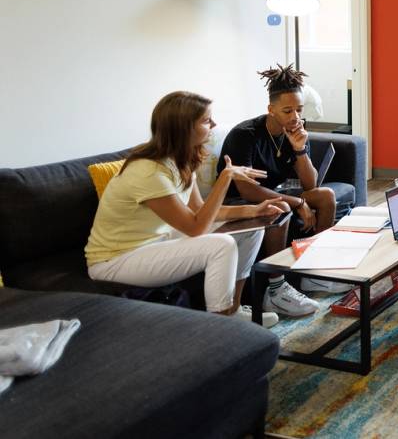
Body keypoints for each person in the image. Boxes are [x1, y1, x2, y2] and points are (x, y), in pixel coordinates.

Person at [85, 91, 287, 327]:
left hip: (156, 239)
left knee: (252, 229)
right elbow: (196, 228)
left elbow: (201, 210)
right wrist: (225, 178)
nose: (214, 124)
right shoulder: (148, 171)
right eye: (206, 120)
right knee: (221, 246)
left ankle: (234, 308)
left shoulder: (181, 160)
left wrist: (255, 211)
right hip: (116, 259)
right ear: (183, 128)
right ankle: (221, 327)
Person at [217, 64, 336, 315]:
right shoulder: (245, 135)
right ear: (270, 109)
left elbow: (311, 185)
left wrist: (300, 149)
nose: (295, 117)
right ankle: (276, 289)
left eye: (299, 110)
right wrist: (298, 204)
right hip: (238, 202)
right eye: (287, 110)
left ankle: (313, 273)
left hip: (271, 194)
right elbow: (248, 191)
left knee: (325, 196)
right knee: (281, 206)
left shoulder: (294, 132)